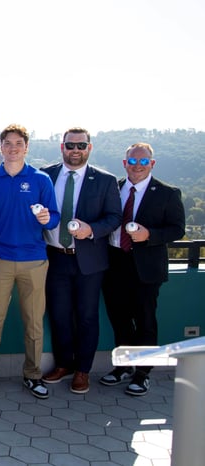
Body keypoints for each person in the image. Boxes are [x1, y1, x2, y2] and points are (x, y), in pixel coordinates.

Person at [0, 124, 60, 400]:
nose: (12, 148)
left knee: (34, 322)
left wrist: (49, 219)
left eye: (18, 143)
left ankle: (33, 375)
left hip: (34, 261)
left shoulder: (40, 180)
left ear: (26, 147)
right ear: (0, 147)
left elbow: (55, 216)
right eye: (7, 143)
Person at [40, 128, 121, 394]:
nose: (76, 150)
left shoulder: (106, 180)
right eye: (70, 145)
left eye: (81, 145)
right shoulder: (46, 175)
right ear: (61, 147)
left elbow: (114, 217)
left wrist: (92, 230)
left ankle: (83, 371)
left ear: (89, 147)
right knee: (59, 315)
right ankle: (64, 364)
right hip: (55, 257)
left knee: (87, 317)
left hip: (89, 260)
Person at [100, 143, 185, 396]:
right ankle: (124, 367)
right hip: (114, 264)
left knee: (146, 321)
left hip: (146, 267)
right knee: (120, 320)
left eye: (143, 162)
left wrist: (150, 235)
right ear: (125, 163)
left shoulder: (167, 193)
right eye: (133, 162)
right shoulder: (113, 188)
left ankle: (143, 373)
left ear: (152, 164)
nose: (138, 166)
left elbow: (177, 229)